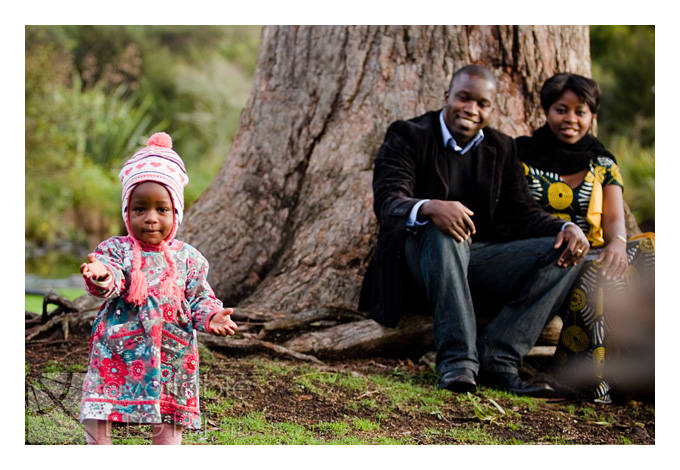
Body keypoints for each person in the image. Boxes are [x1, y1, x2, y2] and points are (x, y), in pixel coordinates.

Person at [359, 64, 590, 397]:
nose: (471, 109)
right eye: (463, 98)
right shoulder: (408, 135)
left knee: (567, 252)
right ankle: (458, 363)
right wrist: (430, 207)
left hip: (479, 261)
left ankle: (499, 360)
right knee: (443, 232)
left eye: (481, 103)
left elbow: (522, 212)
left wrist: (567, 227)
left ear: (490, 108)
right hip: (417, 266)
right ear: (447, 97)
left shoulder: (502, 148)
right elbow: (388, 200)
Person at [79, 132, 238, 444]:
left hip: (172, 353)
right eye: (140, 209)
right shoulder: (116, 249)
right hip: (117, 351)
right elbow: (114, 277)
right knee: (99, 405)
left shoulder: (188, 258)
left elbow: (199, 297)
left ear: (175, 212)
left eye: (161, 209)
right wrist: (101, 275)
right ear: (127, 212)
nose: (150, 219)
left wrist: (211, 317)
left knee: (169, 414)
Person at [516, 73, 655, 403]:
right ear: (546, 111)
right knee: (599, 278)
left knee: (651, 253)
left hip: (594, 247)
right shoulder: (521, 154)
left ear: (592, 116)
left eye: (581, 111)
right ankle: (591, 381)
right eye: (561, 109)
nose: (571, 120)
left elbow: (614, 218)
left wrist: (618, 243)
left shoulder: (602, 161)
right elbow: (518, 213)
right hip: (548, 249)